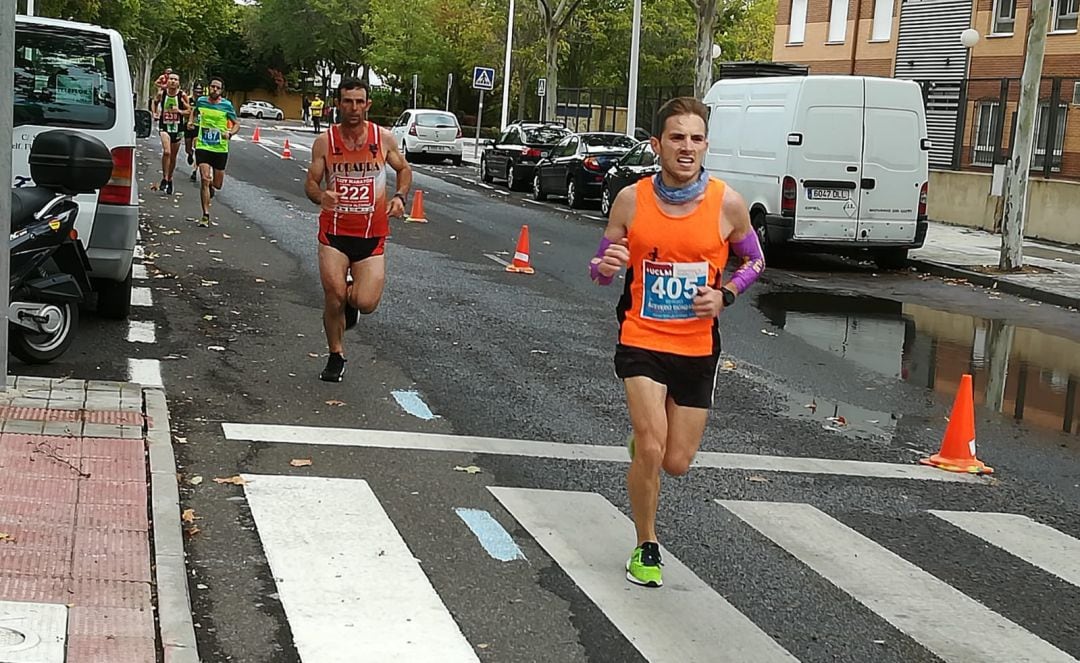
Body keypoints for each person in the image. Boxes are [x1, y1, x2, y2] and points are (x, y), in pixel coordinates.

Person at [589, 97, 765, 588]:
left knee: (677, 462)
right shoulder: (631, 199)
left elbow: (755, 262)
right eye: (676, 138)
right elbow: (602, 265)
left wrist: (726, 294)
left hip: (697, 347)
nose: (687, 148)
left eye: (696, 138)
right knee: (650, 447)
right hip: (641, 337)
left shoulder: (727, 202)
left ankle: (651, 443)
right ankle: (646, 545)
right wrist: (605, 267)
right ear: (656, 144)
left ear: (705, 144)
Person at [304, 78, 412, 382]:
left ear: (367, 105)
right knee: (333, 294)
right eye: (347, 101)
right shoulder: (325, 142)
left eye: (358, 101)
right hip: (334, 234)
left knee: (366, 302)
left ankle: (351, 306)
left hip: (372, 234)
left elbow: (404, 169)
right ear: (338, 104)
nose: (353, 107)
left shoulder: (384, 139)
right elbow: (311, 183)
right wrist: (321, 196)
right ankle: (335, 354)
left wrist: (401, 197)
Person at [192, 77, 240, 228]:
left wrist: (230, 133)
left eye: (217, 88)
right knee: (205, 178)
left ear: (221, 90)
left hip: (220, 147)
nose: (214, 90)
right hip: (203, 145)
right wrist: (190, 121)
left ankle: (212, 186)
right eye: (212, 87)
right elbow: (194, 112)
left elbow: (237, 123)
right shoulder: (201, 101)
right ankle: (205, 215)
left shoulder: (226, 105)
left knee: (217, 184)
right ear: (209, 88)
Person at [151, 72, 189, 195]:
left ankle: (170, 178)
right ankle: (164, 178)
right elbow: (154, 102)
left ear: (178, 83)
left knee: (173, 157)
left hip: (178, 128)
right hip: (165, 126)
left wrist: (179, 111)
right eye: (171, 79)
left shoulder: (182, 96)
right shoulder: (162, 94)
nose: (172, 81)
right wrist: (155, 113)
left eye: (175, 79)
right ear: (167, 81)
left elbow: (189, 111)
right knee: (167, 152)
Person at [184, 81, 205, 180]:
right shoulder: (188, 99)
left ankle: (194, 171)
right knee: (188, 147)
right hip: (188, 126)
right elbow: (184, 111)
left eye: (200, 92)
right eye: (197, 91)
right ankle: (189, 154)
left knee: (198, 149)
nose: (198, 94)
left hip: (199, 126)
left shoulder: (204, 102)